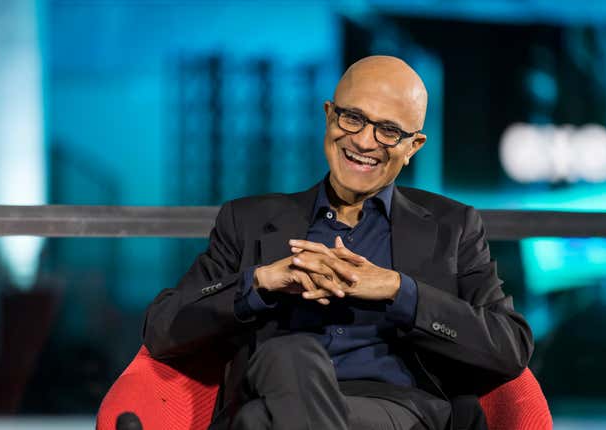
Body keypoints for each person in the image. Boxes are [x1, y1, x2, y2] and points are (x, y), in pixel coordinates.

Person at [143, 55, 533, 430]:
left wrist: (400, 291)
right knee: (284, 364)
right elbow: (163, 329)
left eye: (389, 130)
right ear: (329, 115)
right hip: (269, 401)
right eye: (353, 118)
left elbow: (509, 346)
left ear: (413, 146)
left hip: (397, 411)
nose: (365, 141)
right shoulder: (248, 221)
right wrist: (260, 282)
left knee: (260, 414)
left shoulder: (452, 226)